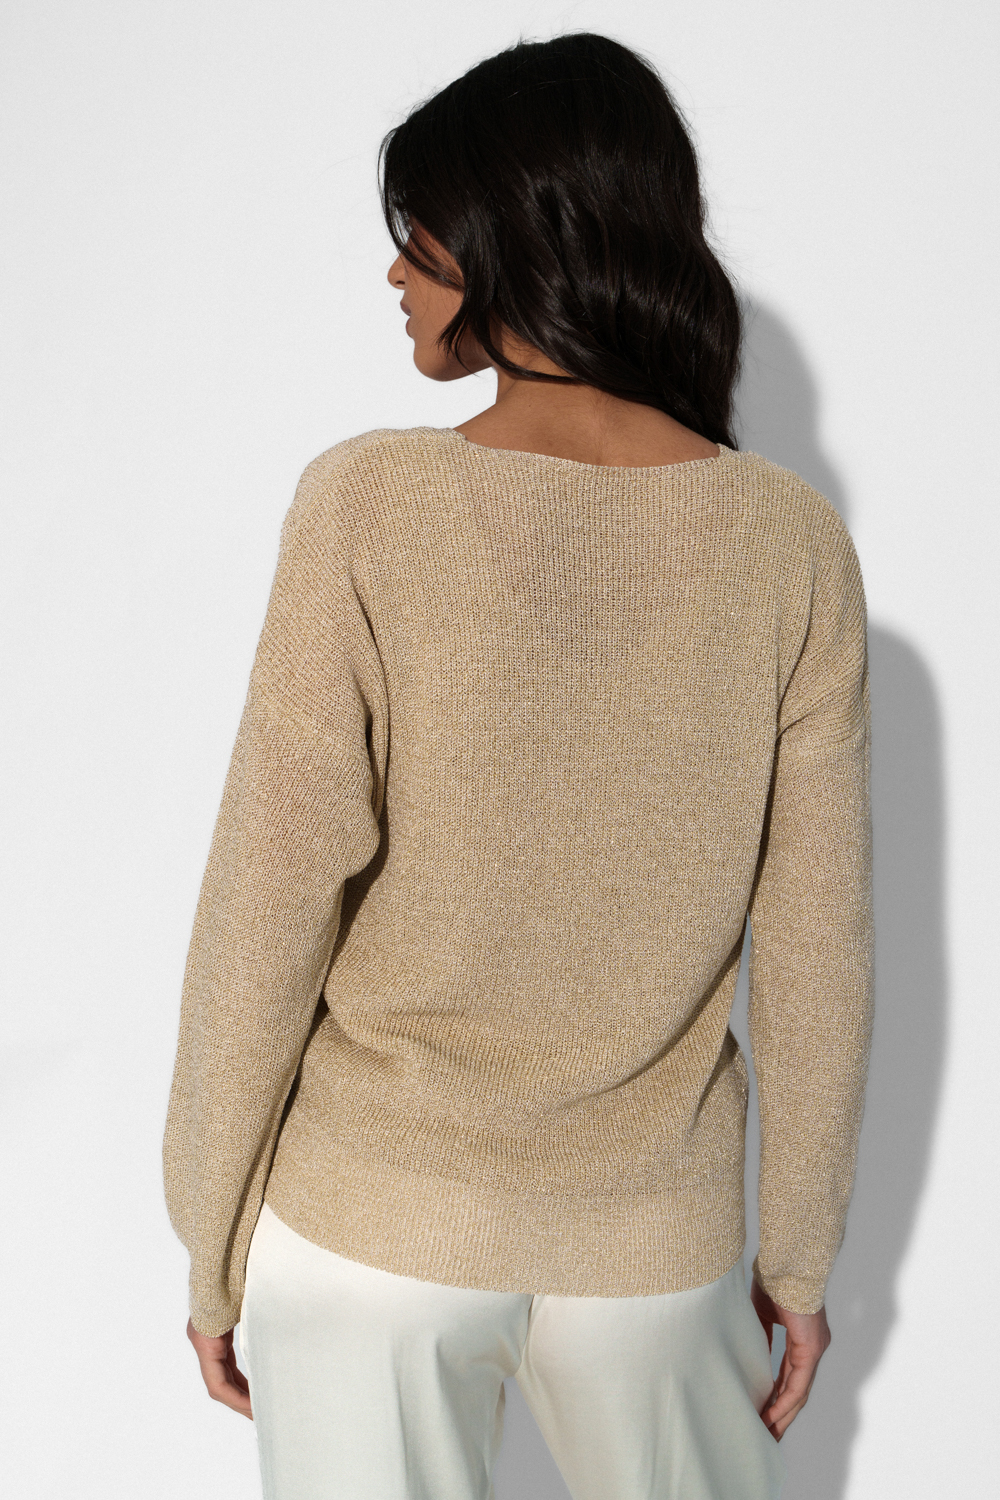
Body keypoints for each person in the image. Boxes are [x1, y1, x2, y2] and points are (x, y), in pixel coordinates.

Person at [163, 32, 873, 1500]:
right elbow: (819, 946)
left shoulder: (368, 502)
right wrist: (798, 1260)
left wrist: (210, 1236)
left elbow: (267, 899)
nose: (395, 270)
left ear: (509, 230)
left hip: (368, 1230)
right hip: (653, 1250)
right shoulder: (791, 543)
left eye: (418, 230)